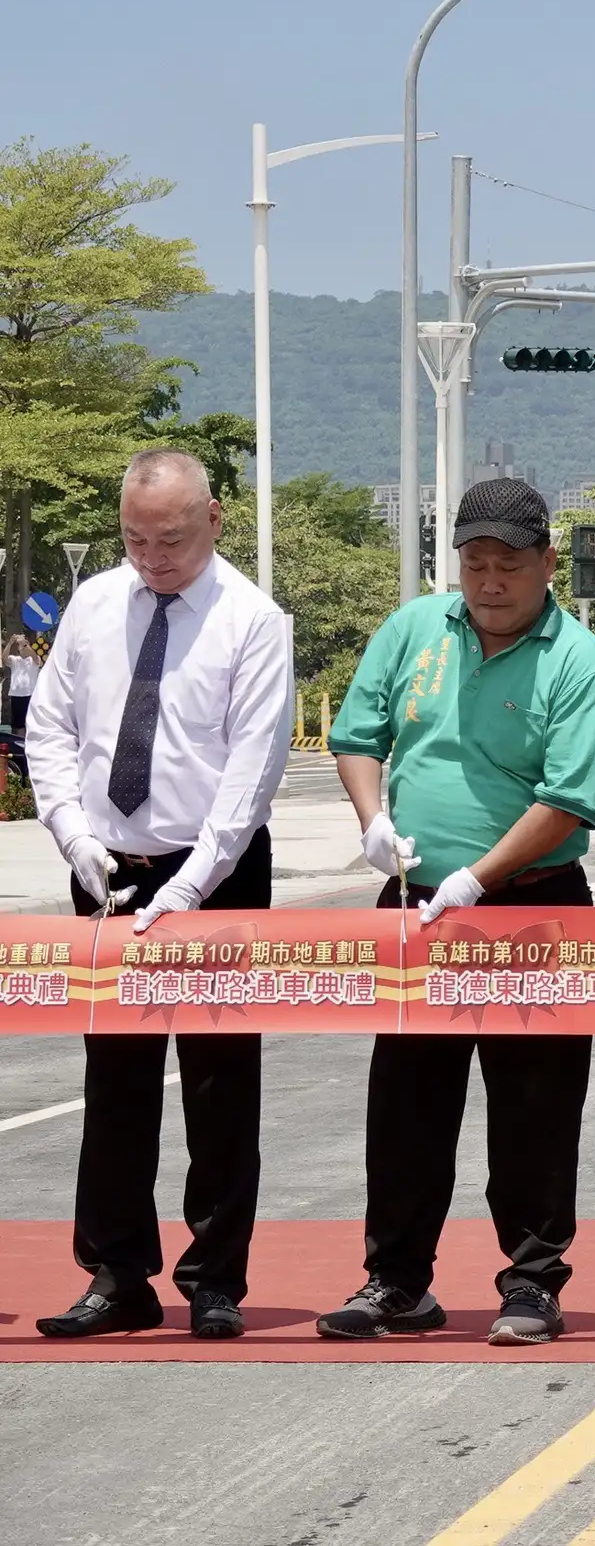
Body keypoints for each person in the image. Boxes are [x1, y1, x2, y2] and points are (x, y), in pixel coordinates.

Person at [315, 478, 595, 1345]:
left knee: (534, 1106)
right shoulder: (415, 629)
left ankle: (531, 1282)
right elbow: (357, 734)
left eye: (509, 566)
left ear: (548, 565)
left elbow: (568, 798)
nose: (489, 582)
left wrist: (480, 877)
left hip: (533, 907)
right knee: (406, 1103)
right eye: (474, 564)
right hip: (416, 905)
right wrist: (373, 820)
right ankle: (397, 1281)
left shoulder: (577, 659)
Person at [22, 449, 291, 1341]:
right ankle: (115, 1271)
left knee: (219, 1083)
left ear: (213, 521)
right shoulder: (96, 604)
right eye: (136, 539)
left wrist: (188, 885)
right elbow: (52, 726)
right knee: (116, 1077)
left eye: (170, 539)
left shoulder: (253, 620)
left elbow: (250, 775)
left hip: (216, 873)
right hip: (108, 868)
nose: (153, 557)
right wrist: (71, 831)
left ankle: (214, 1279)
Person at [7, 632, 36, 770]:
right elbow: (4, 658)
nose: (22, 648)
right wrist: (10, 643)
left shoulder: (33, 661)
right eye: (20, 646)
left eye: (24, 645)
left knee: (30, 724)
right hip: (17, 696)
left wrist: (26, 644)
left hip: (30, 696)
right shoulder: (15, 659)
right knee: (18, 726)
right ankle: (20, 751)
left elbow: (35, 657)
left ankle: (32, 751)